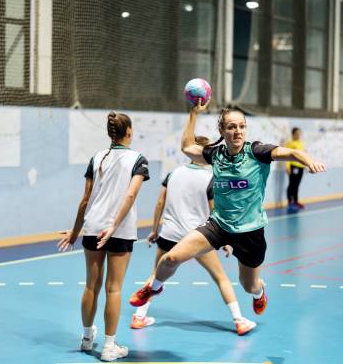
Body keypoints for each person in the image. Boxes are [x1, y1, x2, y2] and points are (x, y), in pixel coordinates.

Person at [129, 100, 325, 319]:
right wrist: (193, 113)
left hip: (250, 232)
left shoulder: (257, 152)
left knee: (248, 285)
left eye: (241, 126)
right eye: (231, 126)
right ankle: (154, 287)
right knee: (170, 259)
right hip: (218, 225)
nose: (237, 131)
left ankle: (259, 292)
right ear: (222, 130)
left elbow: (291, 153)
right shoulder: (216, 154)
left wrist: (309, 161)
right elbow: (186, 147)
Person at [132, 136, 256, 336]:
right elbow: (216, 211)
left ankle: (139, 316)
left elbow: (159, 203)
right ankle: (239, 320)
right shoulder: (211, 178)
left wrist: (154, 230)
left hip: (169, 234)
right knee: (221, 278)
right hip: (197, 237)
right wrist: (224, 240)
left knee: (157, 275)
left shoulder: (173, 174)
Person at [58, 112, 149, 362]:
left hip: (92, 227)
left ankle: (87, 338)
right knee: (114, 288)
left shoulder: (96, 157)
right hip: (118, 230)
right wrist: (114, 225)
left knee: (91, 286)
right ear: (128, 132)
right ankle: (109, 347)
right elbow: (130, 196)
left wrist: (76, 231)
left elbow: (85, 200)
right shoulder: (138, 159)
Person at [285, 127, 306, 211]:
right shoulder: (290, 143)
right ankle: (290, 202)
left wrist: (305, 164)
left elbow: (302, 155)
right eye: (297, 133)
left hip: (301, 167)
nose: (298, 135)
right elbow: (287, 156)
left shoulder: (301, 143)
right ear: (293, 134)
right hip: (293, 167)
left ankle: (296, 202)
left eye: (299, 133)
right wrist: (287, 167)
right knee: (291, 185)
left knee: (297, 185)